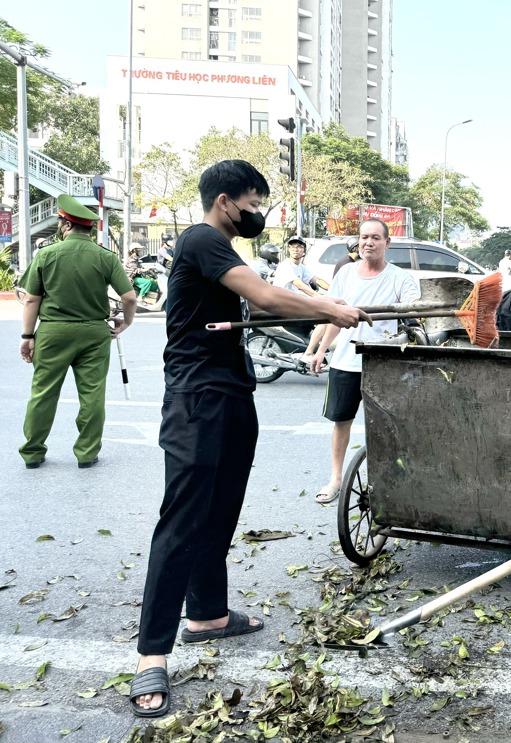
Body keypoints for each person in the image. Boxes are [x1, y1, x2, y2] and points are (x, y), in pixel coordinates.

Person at [130, 160, 370, 719]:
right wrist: (332, 308)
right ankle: (150, 655)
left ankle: (208, 614)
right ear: (223, 202)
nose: (258, 215)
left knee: (220, 513)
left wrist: (321, 317)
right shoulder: (201, 240)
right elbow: (263, 297)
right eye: (253, 204)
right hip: (196, 402)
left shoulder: (220, 248)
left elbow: (250, 309)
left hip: (233, 394)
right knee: (182, 521)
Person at [18, 195, 137, 470]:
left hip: (53, 333)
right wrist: (125, 323)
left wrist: (27, 337)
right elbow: (129, 298)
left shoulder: (46, 255)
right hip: (94, 333)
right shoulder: (105, 257)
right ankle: (86, 453)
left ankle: (33, 453)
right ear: (89, 228)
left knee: (43, 393)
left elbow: (32, 299)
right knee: (92, 394)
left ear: (66, 224)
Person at [310, 218, 419, 504]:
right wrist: (322, 351)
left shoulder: (400, 278)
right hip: (345, 362)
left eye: (375, 237)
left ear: (387, 243)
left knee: (386, 425)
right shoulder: (345, 273)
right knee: (340, 421)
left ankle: (389, 481)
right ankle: (335, 479)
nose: (368, 242)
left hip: (383, 364)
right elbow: (334, 316)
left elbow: (413, 319)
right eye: (363, 237)